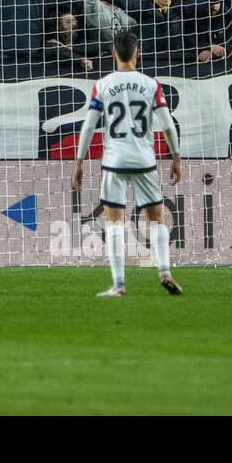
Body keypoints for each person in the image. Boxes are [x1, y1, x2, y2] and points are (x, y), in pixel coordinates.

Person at [71, 29, 184, 298]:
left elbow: (88, 127)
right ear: (138, 53)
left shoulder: (104, 84)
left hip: (114, 160)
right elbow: (168, 125)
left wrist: (79, 162)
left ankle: (119, 285)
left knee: (114, 222)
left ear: (113, 54)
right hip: (145, 159)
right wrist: (176, 157)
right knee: (156, 217)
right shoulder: (150, 84)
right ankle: (165, 271)